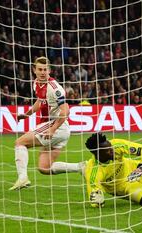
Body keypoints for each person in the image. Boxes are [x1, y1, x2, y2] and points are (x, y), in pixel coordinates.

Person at [9, 57, 84, 190]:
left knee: (20, 143)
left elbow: (65, 110)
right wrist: (27, 114)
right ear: (34, 70)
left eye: (45, 69)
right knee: (44, 168)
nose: (43, 72)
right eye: (40, 69)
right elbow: (40, 101)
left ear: (49, 70)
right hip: (59, 130)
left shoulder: (54, 88)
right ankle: (81, 167)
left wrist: (53, 129)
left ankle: (22, 178)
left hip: (56, 126)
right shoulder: (36, 83)